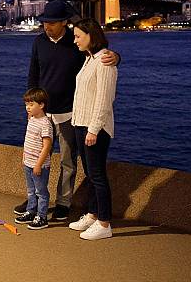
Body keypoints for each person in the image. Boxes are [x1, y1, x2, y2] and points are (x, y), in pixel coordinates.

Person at [15, 0, 119, 221]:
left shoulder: (76, 44)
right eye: (44, 22)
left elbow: (100, 57)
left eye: (52, 22)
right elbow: (33, 74)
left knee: (67, 160)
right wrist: (30, 106)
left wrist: (117, 58)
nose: (47, 26)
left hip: (67, 112)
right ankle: (35, 199)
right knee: (35, 157)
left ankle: (63, 201)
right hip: (41, 112)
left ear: (64, 22)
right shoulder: (39, 42)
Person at [68, 18, 117, 240]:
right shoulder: (90, 59)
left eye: (78, 36)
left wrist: (94, 129)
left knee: (97, 175)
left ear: (91, 36)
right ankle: (93, 214)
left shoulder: (105, 61)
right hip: (81, 123)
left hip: (94, 127)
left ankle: (104, 223)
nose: (75, 40)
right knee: (90, 173)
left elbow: (104, 100)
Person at [15, 88, 53, 230]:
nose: (27, 108)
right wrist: (24, 156)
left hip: (39, 165)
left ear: (41, 105)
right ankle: (31, 211)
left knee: (41, 192)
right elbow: (28, 140)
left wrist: (39, 164)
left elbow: (47, 146)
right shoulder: (31, 120)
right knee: (31, 190)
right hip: (28, 162)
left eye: (31, 104)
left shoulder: (45, 124)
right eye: (26, 104)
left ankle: (42, 216)